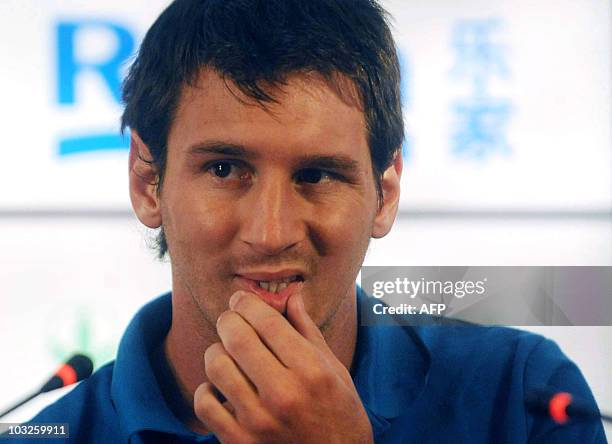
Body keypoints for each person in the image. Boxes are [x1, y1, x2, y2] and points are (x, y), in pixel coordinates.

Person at [12, 0, 606, 442]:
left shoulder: (522, 399)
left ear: (384, 193)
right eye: (224, 168)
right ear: (148, 182)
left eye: (317, 175)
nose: (271, 233)